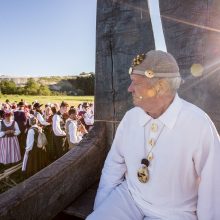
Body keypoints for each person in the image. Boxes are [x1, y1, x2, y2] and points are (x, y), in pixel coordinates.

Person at [86, 50, 220, 220]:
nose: (129, 89)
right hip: (130, 198)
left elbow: (213, 186)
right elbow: (114, 164)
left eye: (136, 83)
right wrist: (101, 209)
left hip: (174, 213)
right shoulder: (131, 118)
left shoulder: (198, 124)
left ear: (161, 87)